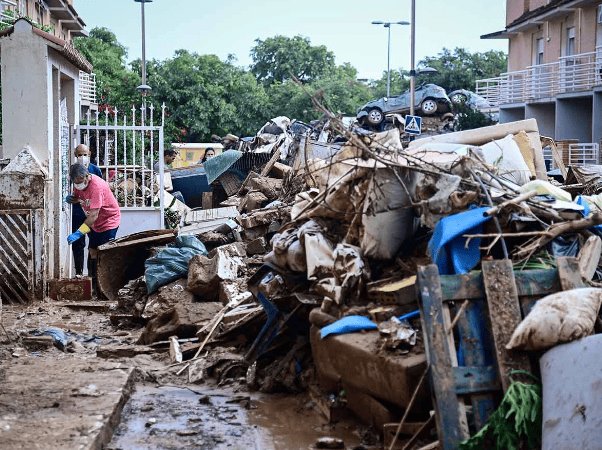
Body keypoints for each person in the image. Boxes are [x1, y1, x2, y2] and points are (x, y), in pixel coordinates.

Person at [66, 163, 121, 295]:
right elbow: (78, 198)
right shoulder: (79, 184)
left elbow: (93, 216)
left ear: (87, 176)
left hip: (108, 221)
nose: (78, 185)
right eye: (75, 182)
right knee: (92, 252)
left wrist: (79, 233)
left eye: (80, 182)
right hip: (95, 224)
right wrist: (71, 199)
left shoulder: (96, 186)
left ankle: (106, 289)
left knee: (104, 253)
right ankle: (94, 288)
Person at [71, 144, 102, 276]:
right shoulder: (73, 170)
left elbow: (101, 191)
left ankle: (92, 276)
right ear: (75, 155)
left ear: (89, 154)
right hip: (78, 212)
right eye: (79, 155)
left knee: (94, 245)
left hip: (92, 213)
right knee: (78, 243)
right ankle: (79, 272)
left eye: (85, 154)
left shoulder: (95, 170)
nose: (82, 157)